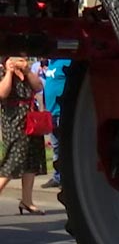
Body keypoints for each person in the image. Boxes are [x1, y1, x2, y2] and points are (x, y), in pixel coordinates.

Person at [0, 55, 48, 214]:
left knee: (32, 159)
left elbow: (39, 86)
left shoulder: (28, 72)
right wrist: (9, 71)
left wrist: (27, 71)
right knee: (14, 159)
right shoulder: (2, 70)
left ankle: (26, 200)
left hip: (31, 117)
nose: (22, 59)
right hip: (14, 118)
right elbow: (3, 93)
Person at [41, 58, 70, 188]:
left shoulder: (67, 61)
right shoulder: (51, 63)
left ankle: (67, 179)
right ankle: (57, 177)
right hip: (50, 113)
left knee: (65, 147)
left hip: (62, 111)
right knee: (56, 147)